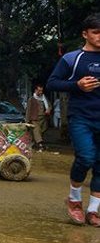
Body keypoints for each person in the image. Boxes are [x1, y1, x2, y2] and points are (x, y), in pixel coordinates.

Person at [47, 12, 100, 227]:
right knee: (86, 157)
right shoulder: (72, 58)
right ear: (85, 34)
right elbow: (52, 83)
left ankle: (94, 210)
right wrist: (76, 85)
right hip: (81, 117)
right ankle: (74, 199)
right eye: (96, 33)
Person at [25, 82, 51, 150]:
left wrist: (48, 109)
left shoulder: (44, 98)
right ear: (36, 90)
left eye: (41, 90)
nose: (41, 92)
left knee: (42, 131)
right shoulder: (31, 99)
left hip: (43, 118)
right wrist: (27, 120)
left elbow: (49, 106)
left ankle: (33, 143)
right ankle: (40, 145)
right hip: (34, 119)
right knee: (36, 131)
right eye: (39, 90)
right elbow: (28, 110)